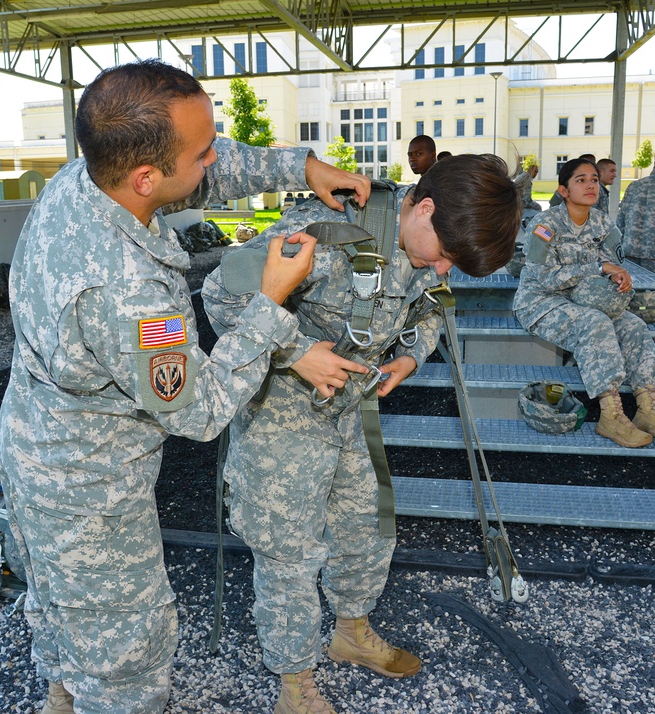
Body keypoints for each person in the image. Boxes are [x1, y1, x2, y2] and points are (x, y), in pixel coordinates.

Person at [0, 59, 372, 714]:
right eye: (202, 154)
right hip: (88, 494)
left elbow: (202, 166)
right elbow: (198, 409)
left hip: (33, 448)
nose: (211, 164)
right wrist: (272, 304)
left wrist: (301, 166)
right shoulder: (126, 289)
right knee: (126, 661)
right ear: (147, 176)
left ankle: (61, 696)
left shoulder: (84, 178)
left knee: (56, 608)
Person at [202, 154, 520, 714]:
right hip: (284, 412)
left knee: (367, 528)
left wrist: (410, 358)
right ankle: (294, 682)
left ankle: (350, 633)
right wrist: (297, 354)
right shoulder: (330, 236)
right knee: (288, 552)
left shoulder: (429, 242)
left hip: (350, 410)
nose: (443, 269)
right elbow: (221, 296)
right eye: (444, 256)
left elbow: (430, 307)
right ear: (424, 208)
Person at [513, 158, 655, 448]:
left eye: (593, 179)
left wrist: (620, 279)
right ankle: (611, 415)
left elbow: (614, 265)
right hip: (541, 303)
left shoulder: (604, 223)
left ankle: (646, 408)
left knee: (635, 326)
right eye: (580, 180)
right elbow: (543, 278)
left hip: (589, 301)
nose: (591, 185)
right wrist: (598, 269)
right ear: (563, 190)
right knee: (595, 324)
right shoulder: (545, 223)